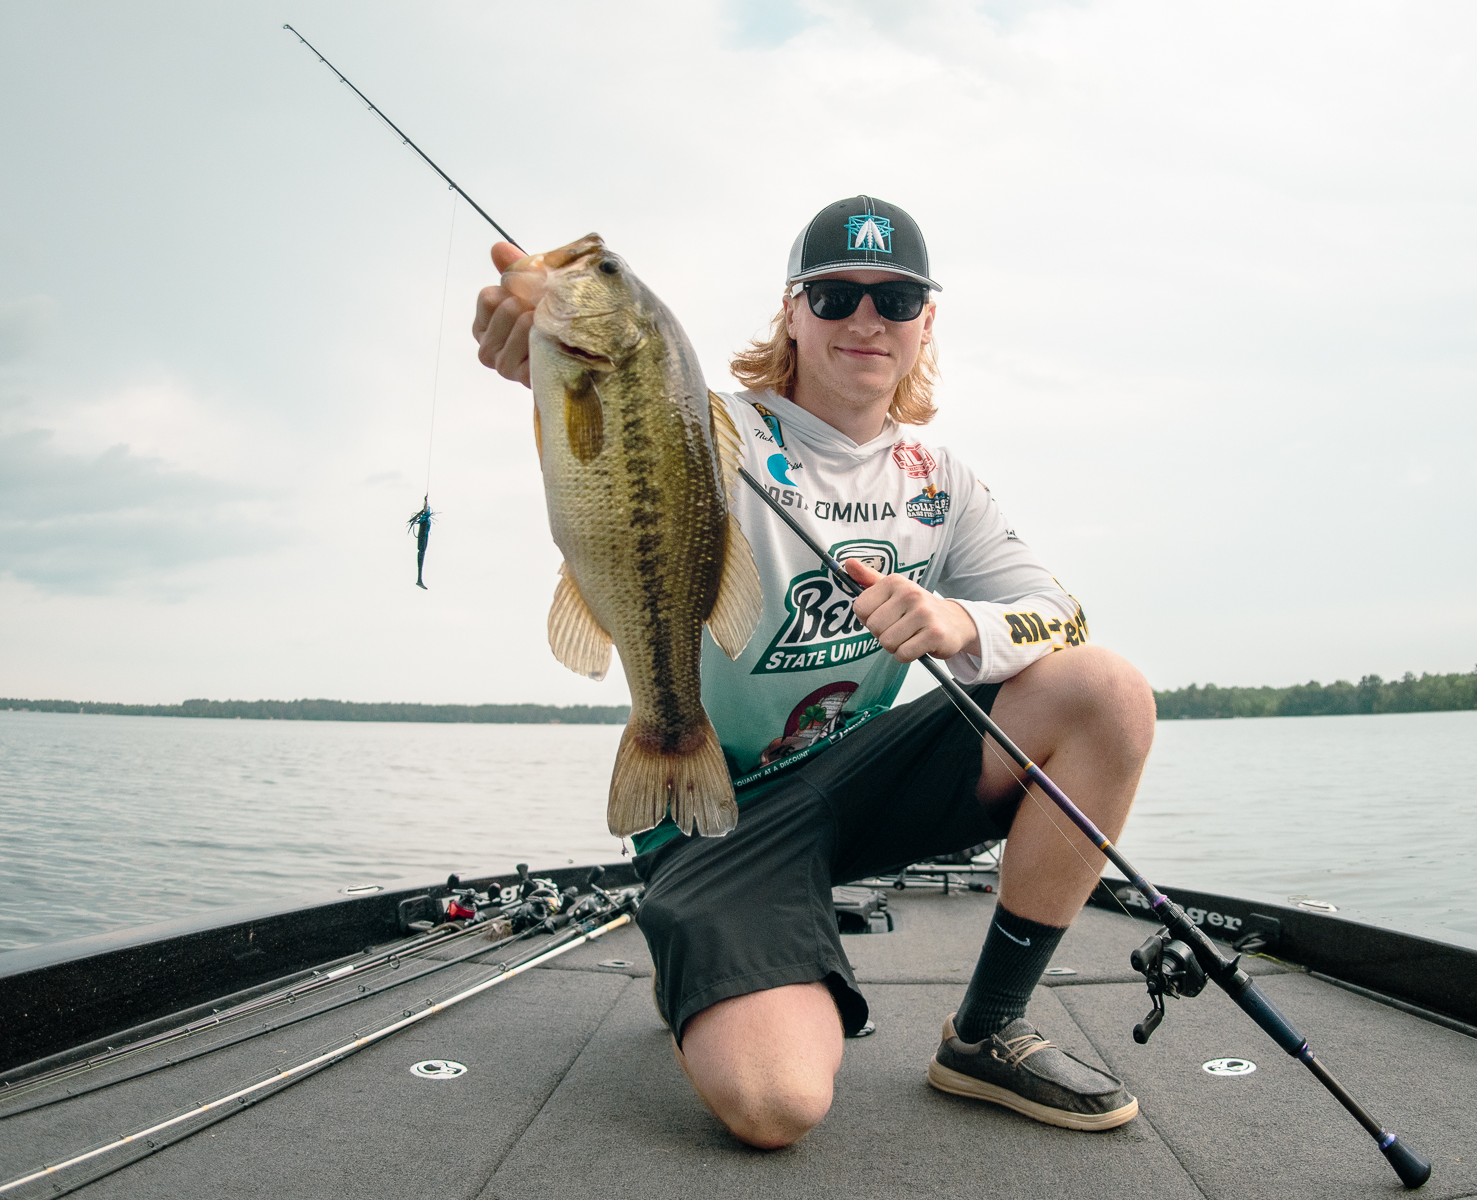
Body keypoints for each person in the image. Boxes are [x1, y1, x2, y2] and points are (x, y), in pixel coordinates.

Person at [473, 197, 1156, 1148]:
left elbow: (1064, 616)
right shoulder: (718, 428)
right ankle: (715, 955)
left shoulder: (938, 480)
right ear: (792, 312)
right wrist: (536, 354)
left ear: (926, 322)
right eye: (834, 295)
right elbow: (611, 439)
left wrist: (951, 616)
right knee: (776, 1104)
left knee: (1105, 691)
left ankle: (988, 1030)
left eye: (895, 297)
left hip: (858, 778)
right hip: (714, 803)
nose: (865, 320)